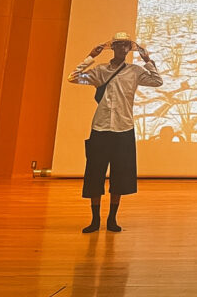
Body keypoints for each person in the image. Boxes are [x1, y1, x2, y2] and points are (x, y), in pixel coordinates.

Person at [68, 31, 162, 233]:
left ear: (129, 49)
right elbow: (73, 78)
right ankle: (95, 220)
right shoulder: (100, 70)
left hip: (123, 128)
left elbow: (157, 81)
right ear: (113, 48)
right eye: (118, 45)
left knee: (120, 176)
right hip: (100, 128)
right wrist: (91, 56)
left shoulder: (135, 71)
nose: (122, 48)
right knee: (95, 174)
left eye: (125, 45)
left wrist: (148, 60)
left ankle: (112, 219)